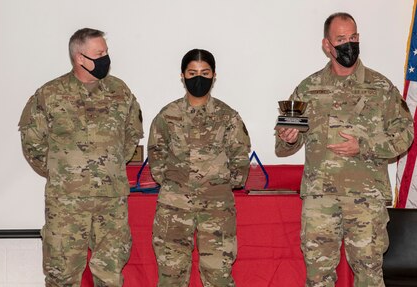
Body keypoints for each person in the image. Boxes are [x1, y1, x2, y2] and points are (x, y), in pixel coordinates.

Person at [275, 12, 414, 287]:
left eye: (353, 38)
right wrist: (289, 137)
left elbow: (405, 133)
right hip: (320, 200)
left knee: (369, 276)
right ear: (327, 45)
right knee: (318, 277)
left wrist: (364, 147)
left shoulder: (381, 87)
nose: (348, 44)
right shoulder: (308, 88)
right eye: (341, 40)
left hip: (365, 200)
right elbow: (284, 143)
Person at [18, 28, 143, 287]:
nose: (106, 58)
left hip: (111, 200)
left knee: (110, 275)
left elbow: (131, 136)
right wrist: (63, 173)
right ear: (80, 58)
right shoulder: (50, 94)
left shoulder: (120, 91)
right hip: (66, 203)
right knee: (62, 274)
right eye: (99, 53)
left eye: (106, 52)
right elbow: (32, 143)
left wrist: (111, 165)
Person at [148, 49, 251, 286]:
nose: (198, 78)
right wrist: (176, 186)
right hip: (174, 207)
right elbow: (156, 154)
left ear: (214, 76)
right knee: (171, 275)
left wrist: (221, 185)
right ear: (182, 76)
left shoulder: (228, 117)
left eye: (205, 73)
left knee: (218, 276)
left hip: (216, 207)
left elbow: (240, 157)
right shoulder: (167, 115)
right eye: (192, 72)